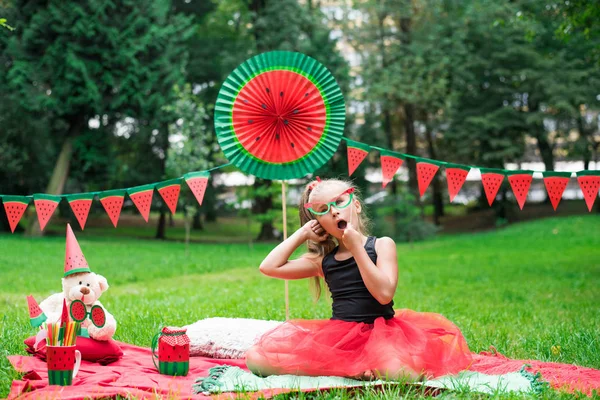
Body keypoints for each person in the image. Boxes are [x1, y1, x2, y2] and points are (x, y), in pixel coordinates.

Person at [245, 177, 472, 381]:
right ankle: (348, 370)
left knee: (400, 373)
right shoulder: (323, 261)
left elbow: (384, 295)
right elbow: (269, 267)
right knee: (255, 358)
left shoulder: (382, 245)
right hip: (340, 339)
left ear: (356, 204)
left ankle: (357, 367)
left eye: (339, 202)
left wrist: (357, 249)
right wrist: (303, 233)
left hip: (382, 334)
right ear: (318, 222)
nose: (334, 211)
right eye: (323, 210)